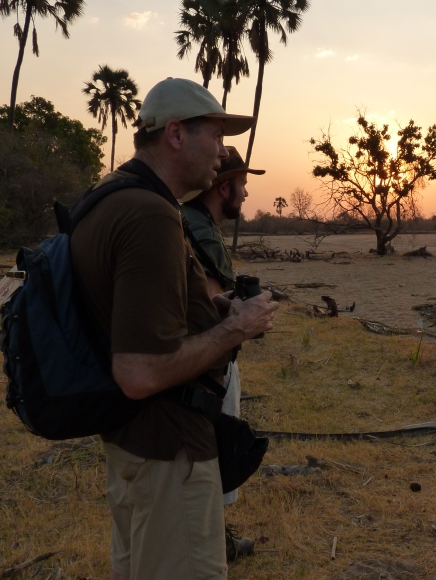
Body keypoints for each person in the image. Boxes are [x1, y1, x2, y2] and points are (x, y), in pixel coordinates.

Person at [70, 77, 279, 580]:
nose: (223, 152)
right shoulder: (151, 216)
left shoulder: (110, 197)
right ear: (177, 133)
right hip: (170, 455)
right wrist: (236, 328)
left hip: (133, 443)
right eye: (217, 135)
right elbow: (140, 371)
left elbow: (134, 319)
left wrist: (211, 310)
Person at [180, 146, 265, 561]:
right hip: (204, 366)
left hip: (193, 363)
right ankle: (214, 543)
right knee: (210, 457)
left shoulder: (187, 221)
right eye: (242, 184)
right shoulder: (199, 230)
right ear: (224, 187)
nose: (246, 194)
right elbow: (207, 304)